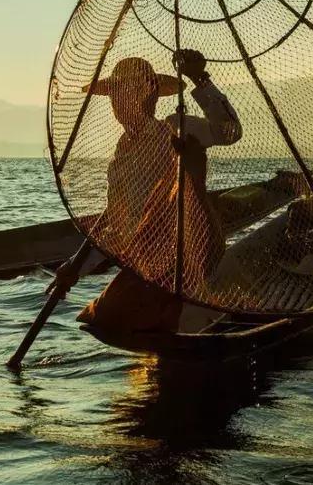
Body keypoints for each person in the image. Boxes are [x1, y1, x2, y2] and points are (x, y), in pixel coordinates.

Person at [69, 49, 242, 334]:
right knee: (94, 319)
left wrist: (200, 79)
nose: (119, 102)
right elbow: (115, 217)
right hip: (146, 264)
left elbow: (230, 132)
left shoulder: (176, 128)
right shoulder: (122, 149)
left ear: (149, 95)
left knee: (118, 319)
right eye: (115, 94)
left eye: (128, 92)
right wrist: (75, 268)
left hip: (187, 255)